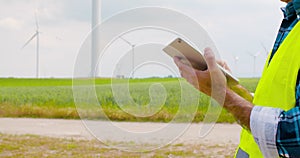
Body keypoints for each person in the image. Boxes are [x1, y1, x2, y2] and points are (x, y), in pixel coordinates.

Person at [174, 0, 300, 157]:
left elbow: (295, 134)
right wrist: (231, 88)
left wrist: (222, 94)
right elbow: (272, 102)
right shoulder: (293, 25)